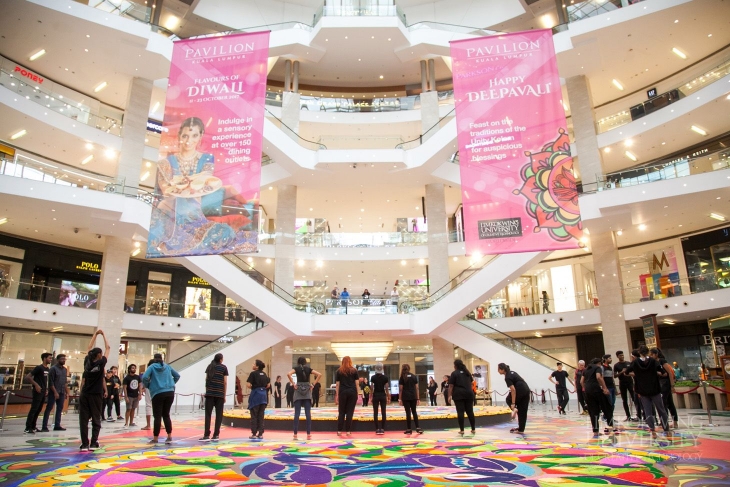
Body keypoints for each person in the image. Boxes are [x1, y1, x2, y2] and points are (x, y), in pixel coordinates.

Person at [149, 117, 254, 257]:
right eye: (185, 135)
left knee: (224, 232)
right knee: (159, 231)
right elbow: (166, 190)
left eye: (194, 136)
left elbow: (203, 185)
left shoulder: (206, 159)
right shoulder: (166, 162)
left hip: (194, 215)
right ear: (180, 136)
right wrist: (180, 186)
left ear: (200, 137)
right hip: (168, 210)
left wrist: (185, 184)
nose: (189, 140)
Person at [78, 330, 110, 451]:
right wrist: (103, 335)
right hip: (96, 394)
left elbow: (89, 347)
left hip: (85, 393)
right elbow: (109, 347)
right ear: (99, 355)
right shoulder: (101, 363)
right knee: (96, 418)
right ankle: (93, 442)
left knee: (84, 419)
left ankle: (84, 444)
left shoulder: (87, 361)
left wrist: (95, 335)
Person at [629, 345, 670, 438]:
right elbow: (663, 372)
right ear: (648, 352)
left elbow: (627, 372)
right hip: (654, 388)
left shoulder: (635, 362)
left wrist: (637, 374)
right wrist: (656, 373)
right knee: (661, 409)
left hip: (642, 390)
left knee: (648, 411)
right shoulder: (653, 361)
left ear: (639, 352)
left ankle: (652, 430)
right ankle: (666, 428)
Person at [142, 353, 180, 446]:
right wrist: (171, 384)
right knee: (166, 414)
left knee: (157, 416)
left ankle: (155, 438)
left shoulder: (152, 367)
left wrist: (148, 385)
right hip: (170, 392)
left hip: (157, 393)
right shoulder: (167, 366)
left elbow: (144, 377)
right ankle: (169, 436)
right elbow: (177, 376)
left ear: (154, 359)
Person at [288, 356, 322, 440]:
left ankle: (295, 434)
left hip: (298, 390)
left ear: (298, 362)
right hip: (307, 390)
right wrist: (313, 384)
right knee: (308, 414)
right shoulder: (308, 369)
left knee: (297, 414)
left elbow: (288, 374)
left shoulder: (296, 368)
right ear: (305, 362)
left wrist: (293, 383)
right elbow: (319, 374)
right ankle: (308, 434)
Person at [581, 357, 616, 437]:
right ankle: (611, 425)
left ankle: (595, 431)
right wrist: (604, 388)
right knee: (606, 406)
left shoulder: (586, 369)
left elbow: (581, 381)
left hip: (588, 391)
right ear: (599, 363)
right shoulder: (598, 368)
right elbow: (598, 377)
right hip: (596, 389)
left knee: (593, 411)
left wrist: (585, 389)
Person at [200, 353, 228, 442]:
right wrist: (224, 395)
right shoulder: (224, 368)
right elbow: (225, 382)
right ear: (220, 359)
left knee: (208, 414)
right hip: (219, 394)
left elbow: (206, 380)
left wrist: (208, 390)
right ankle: (216, 435)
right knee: (219, 415)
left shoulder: (210, 367)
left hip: (210, 394)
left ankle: (206, 435)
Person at [650, 348, 679, 430]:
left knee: (664, 403)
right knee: (669, 402)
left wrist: (672, 385)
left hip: (665, 384)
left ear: (656, 354)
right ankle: (670, 422)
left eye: (652, 354)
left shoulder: (662, 361)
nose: (651, 356)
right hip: (660, 383)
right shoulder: (654, 362)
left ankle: (667, 421)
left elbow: (669, 373)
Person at [24, 352, 52, 434]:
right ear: (44, 358)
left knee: (39, 409)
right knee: (34, 408)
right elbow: (28, 377)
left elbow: (45, 380)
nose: (50, 359)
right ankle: (28, 427)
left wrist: (46, 389)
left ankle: (33, 426)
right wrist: (36, 385)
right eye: (49, 358)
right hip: (37, 391)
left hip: (43, 391)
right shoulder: (39, 368)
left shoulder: (47, 369)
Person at [41, 353, 68, 432]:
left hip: (62, 391)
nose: (63, 360)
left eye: (64, 359)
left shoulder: (64, 370)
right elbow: (51, 382)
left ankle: (57, 425)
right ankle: (44, 426)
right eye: (62, 359)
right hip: (53, 392)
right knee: (49, 408)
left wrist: (66, 391)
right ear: (58, 360)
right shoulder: (53, 369)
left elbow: (65, 382)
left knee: (60, 409)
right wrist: (55, 392)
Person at [449, 359, 476, 435]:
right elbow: (471, 383)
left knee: (460, 412)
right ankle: (473, 429)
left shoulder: (454, 373)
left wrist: (449, 395)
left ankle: (462, 430)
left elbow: (451, 385)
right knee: (470, 412)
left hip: (458, 394)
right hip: (469, 393)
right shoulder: (467, 373)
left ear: (455, 365)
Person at [335, 356, 360, 436]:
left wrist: (337, 395)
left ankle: (339, 430)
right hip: (352, 392)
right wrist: (358, 393)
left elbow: (337, 384)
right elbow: (357, 383)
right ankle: (348, 431)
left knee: (341, 412)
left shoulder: (339, 371)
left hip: (342, 392)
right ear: (350, 361)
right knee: (350, 412)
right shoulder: (354, 370)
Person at [246, 359, 270, 440]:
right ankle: (260, 433)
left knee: (254, 415)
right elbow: (268, 385)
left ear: (257, 366)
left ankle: (254, 433)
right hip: (263, 396)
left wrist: (254, 387)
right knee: (261, 415)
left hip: (256, 395)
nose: (252, 365)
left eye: (253, 364)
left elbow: (248, 385)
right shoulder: (264, 374)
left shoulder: (253, 374)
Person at [614, 351, 638, 422]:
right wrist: (621, 372)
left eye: (622, 355)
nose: (622, 356)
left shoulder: (628, 363)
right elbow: (615, 376)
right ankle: (628, 415)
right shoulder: (616, 365)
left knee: (634, 398)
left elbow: (634, 372)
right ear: (617, 356)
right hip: (622, 383)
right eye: (620, 355)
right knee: (624, 400)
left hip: (630, 382)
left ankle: (638, 414)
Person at [399, 364, 423, 435]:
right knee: (414, 412)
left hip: (406, 397)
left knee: (408, 413)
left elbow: (401, 389)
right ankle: (418, 427)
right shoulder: (413, 376)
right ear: (409, 368)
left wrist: (400, 399)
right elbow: (417, 388)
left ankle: (409, 429)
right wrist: (418, 398)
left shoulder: (402, 377)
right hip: (413, 396)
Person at [370, 362, 389, 435]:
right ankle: (383, 428)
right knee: (383, 412)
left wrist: (371, 395)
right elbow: (386, 388)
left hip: (376, 395)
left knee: (375, 412)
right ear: (382, 368)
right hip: (383, 395)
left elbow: (371, 387)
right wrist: (388, 396)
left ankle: (377, 428)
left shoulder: (373, 377)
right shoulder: (385, 378)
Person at [141, 359, 154, 430]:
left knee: (148, 405)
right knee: (158, 406)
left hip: (149, 387)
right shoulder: (160, 369)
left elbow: (145, 378)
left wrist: (145, 386)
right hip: (158, 388)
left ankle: (148, 424)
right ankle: (160, 423)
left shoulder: (150, 369)